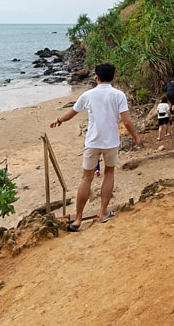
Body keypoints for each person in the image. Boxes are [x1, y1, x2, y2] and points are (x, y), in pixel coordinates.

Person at [50, 63, 141, 231]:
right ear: (113, 78)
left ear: (96, 78)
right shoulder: (118, 95)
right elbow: (126, 121)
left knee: (86, 178)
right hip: (111, 142)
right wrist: (136, 137)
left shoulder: (88, 94)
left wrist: (59, 120)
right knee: (109, 173)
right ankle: (103, 212)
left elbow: (73, 112)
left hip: (92, 141)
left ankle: (77, 219)